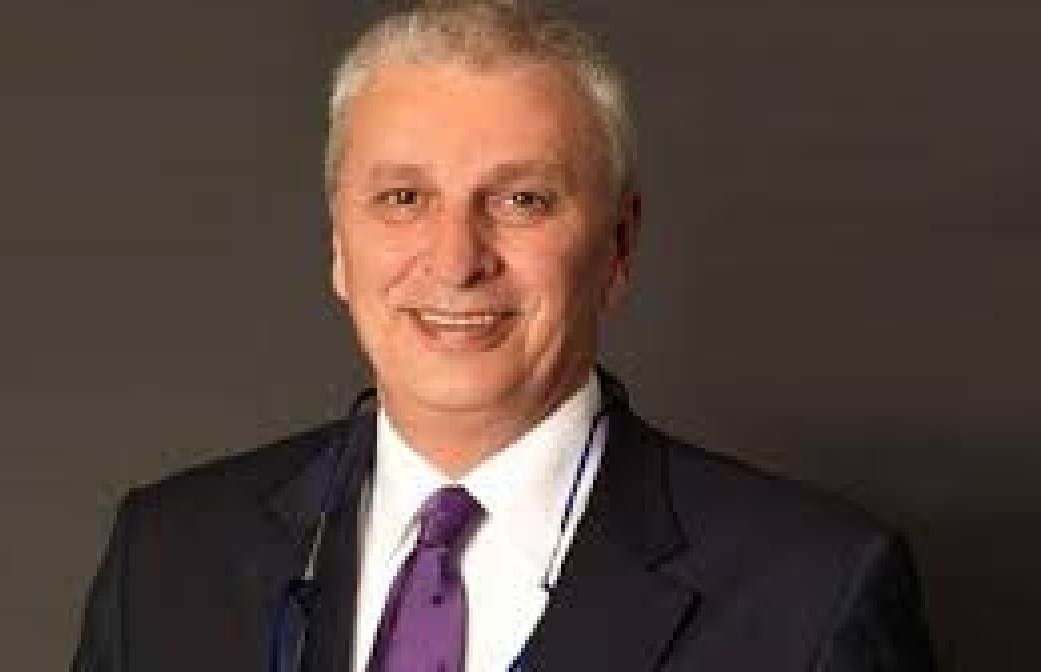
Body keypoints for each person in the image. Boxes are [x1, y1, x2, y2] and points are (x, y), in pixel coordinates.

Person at [71, 2, 937, 670]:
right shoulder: (166, 560)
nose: (457, 261)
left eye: (522, 200)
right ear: (339, 243)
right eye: (403, 199)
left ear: (619, 246)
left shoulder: (812, 595)